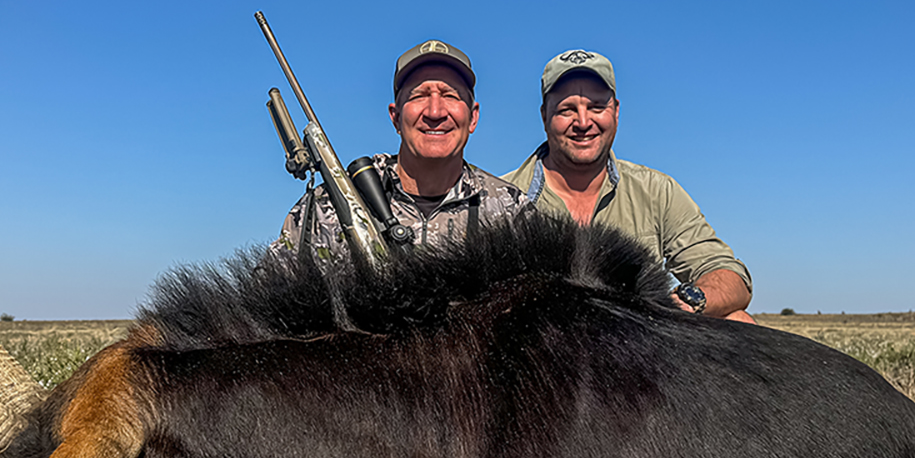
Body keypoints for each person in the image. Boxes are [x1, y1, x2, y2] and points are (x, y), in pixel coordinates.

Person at [503, 49, 755, 321]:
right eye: (567, 110)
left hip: (637, 348)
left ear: (616, 111)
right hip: (544, 351)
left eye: (596, 107)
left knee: (738, 320)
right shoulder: (498, 198)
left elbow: (730, 275)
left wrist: (681, 305)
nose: (584, 122)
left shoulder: (656, 191)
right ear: (544, 116)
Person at [275, 39, 527, 261]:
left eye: (450, 95)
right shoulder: (327, 205)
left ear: (472, 118)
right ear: (395, 117)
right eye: (419, 96)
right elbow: (267, 299)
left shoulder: (511, 212)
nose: (435, 112)